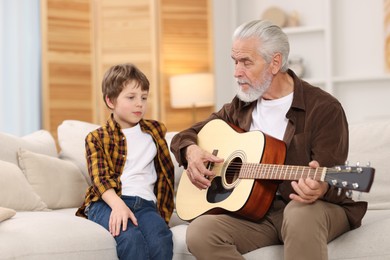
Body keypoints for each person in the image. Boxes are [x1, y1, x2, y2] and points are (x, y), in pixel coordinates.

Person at [170, 20, 367, 260]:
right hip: (258, 214)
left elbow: (333, 176)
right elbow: (184, 136)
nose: (236, 72)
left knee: (299, 213)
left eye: (246, 62)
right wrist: (191, 150)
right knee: (201, 232)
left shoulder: (324, 108)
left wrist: (320, 186)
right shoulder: (240, 106)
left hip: (314, 209)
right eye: (235, 61)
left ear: (274, 63)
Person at [76, 63, 175, 260]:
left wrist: (161, 214)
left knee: (161, 239)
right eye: (131, 97)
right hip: (107, 202)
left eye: (144, 97)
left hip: (146, 204)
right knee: (130, 238)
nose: (140, 103)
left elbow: (166, 173)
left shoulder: (155, 131)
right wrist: (118, 206)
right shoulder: (96, 137)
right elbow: (100, 179)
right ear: (110, 101)